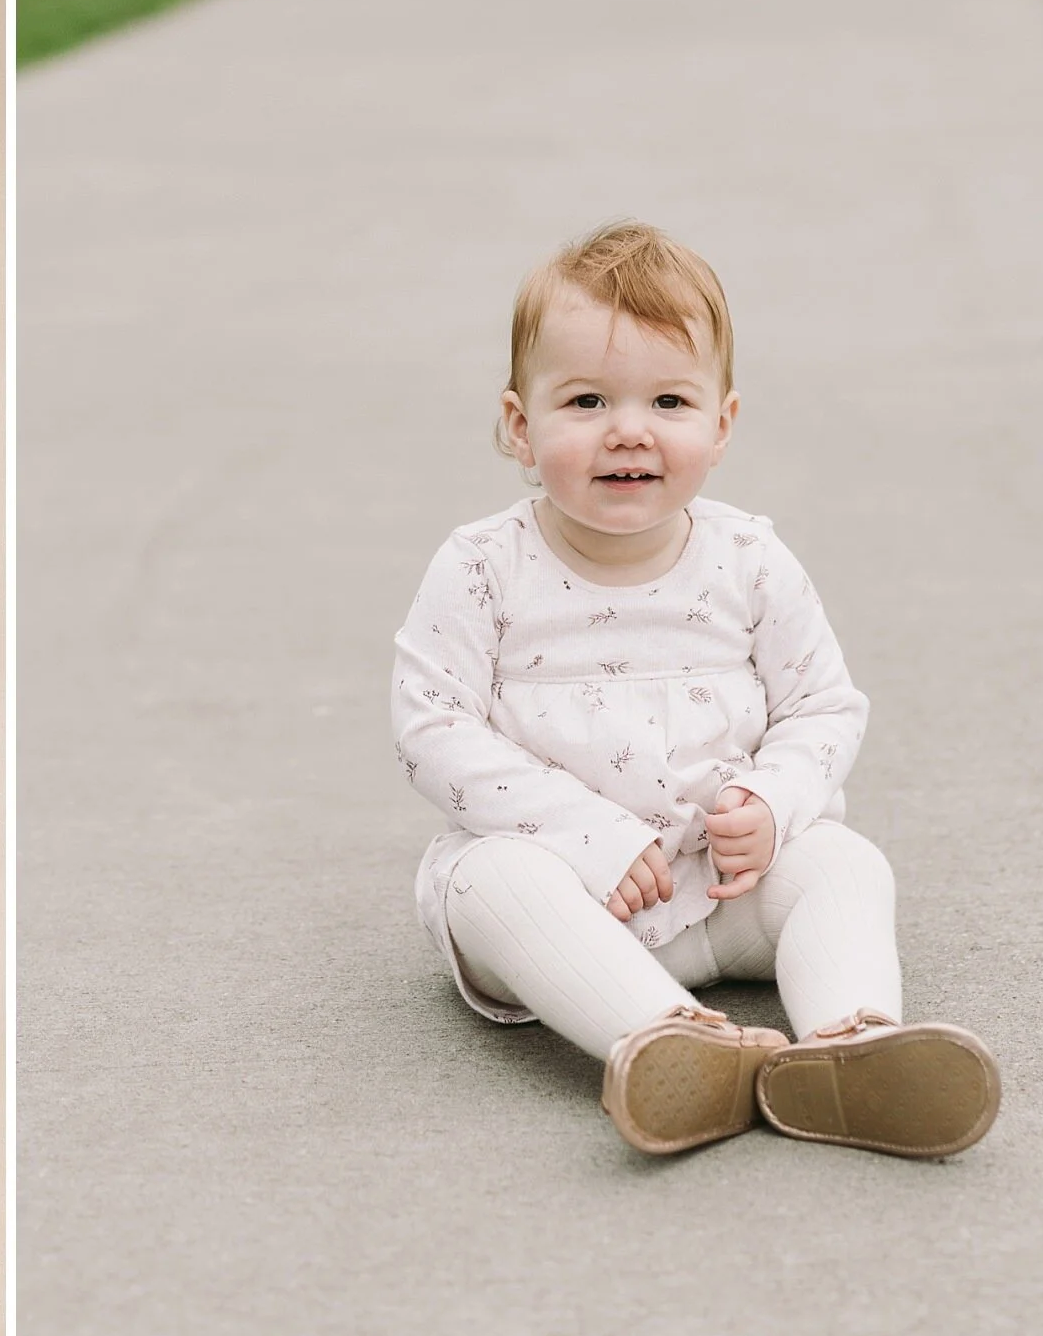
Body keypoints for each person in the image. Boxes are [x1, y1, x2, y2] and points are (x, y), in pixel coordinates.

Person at [390, 222, 996, 1158]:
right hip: (566, 899)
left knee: (845, 863)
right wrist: (582, 835)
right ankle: (671, 1043)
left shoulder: (748, 559)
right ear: (519, 425)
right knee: (490, 885)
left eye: (669, 400)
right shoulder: (483, 567)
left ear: (721, 424)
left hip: (723, 887)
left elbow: (823, 707)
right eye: (586, 400)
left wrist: (773, 799)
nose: (628, 429)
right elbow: (433, 727)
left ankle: (852, 1046)